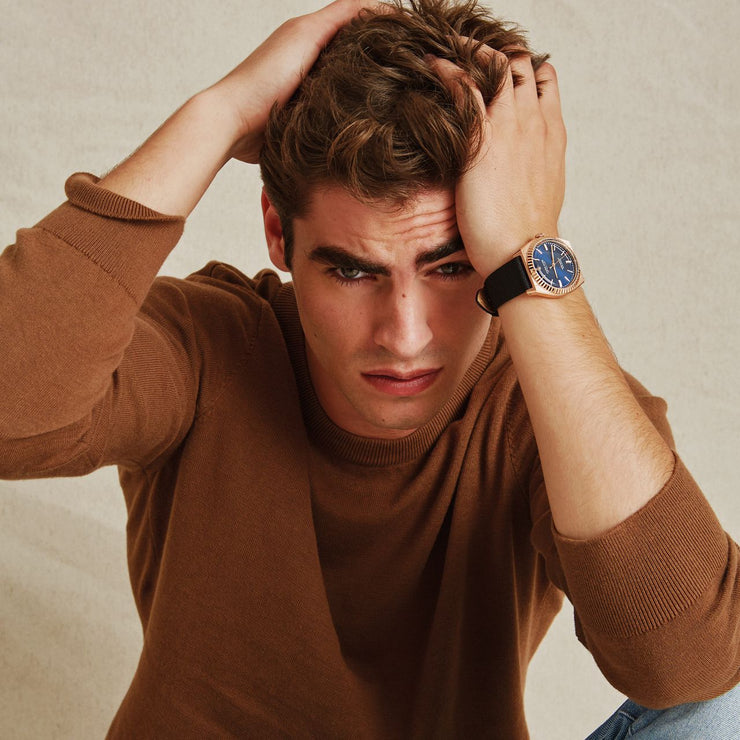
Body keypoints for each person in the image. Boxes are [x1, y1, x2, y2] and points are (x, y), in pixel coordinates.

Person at [0, 0, 738, 737]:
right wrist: (220, 113)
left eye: (452, 267)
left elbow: (691, 668)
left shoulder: (545, 403)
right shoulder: (209, 346)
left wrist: (530, 253)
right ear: (278, 233)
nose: (405, 336)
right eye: (353, 272)